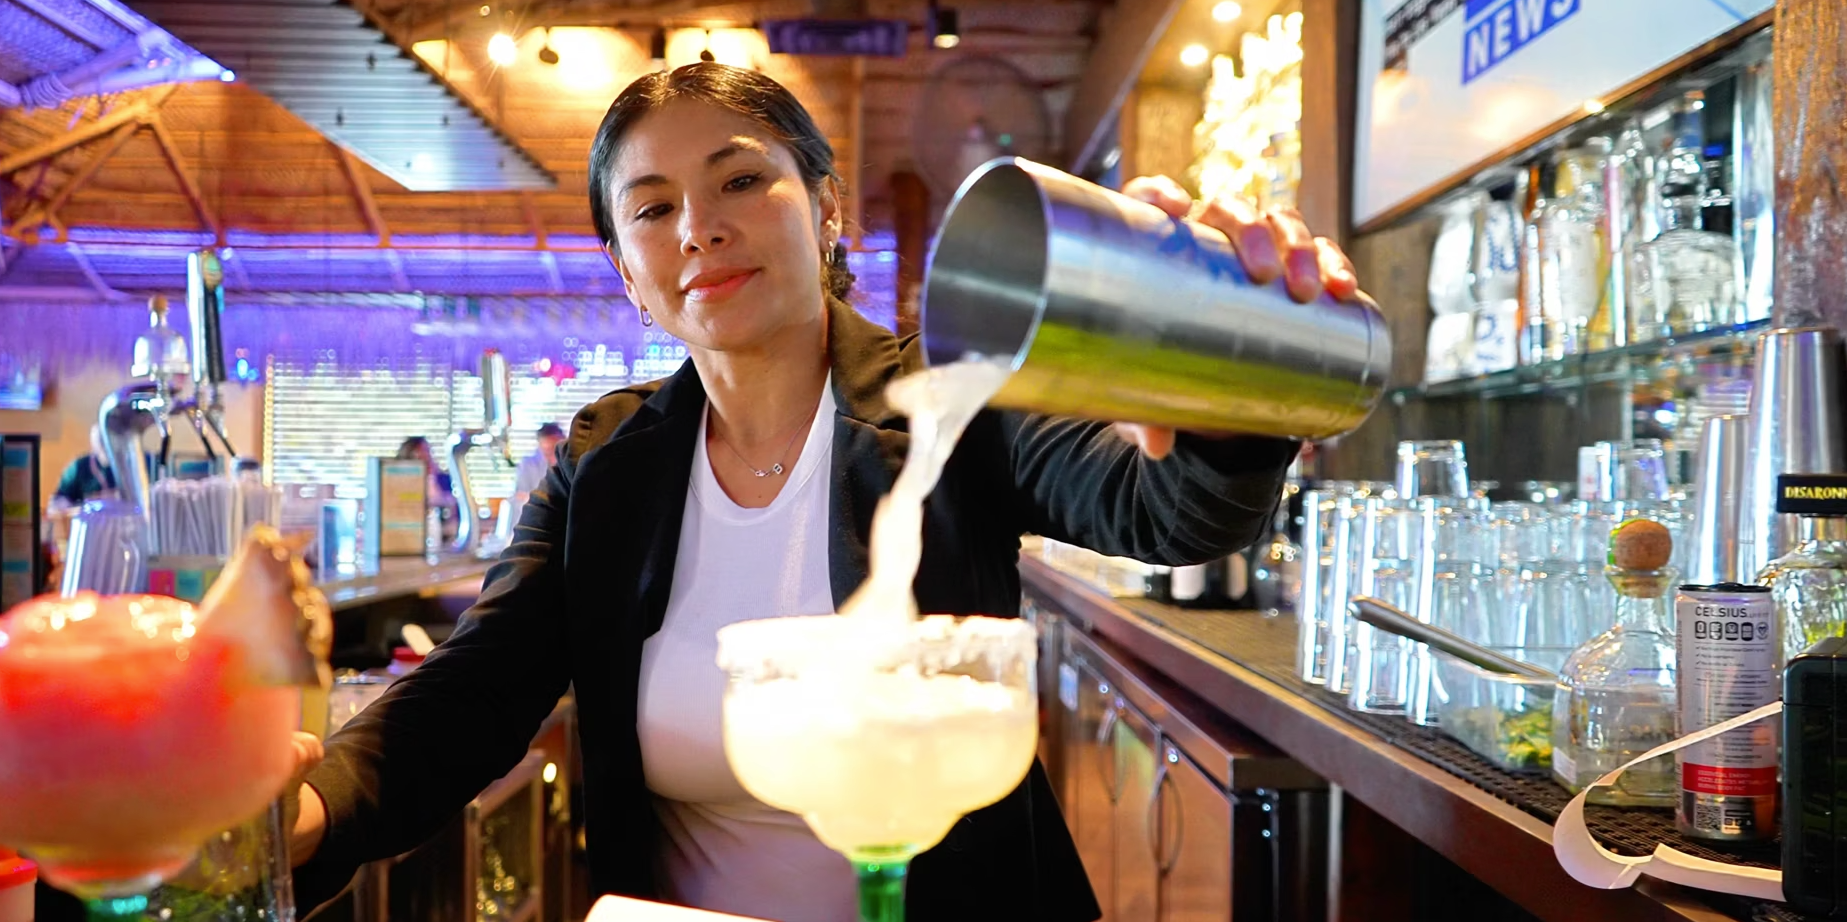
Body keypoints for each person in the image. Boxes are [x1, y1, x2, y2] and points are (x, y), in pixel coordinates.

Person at [288, 63, 1368, 922]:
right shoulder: (604, 462)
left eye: (739, 181)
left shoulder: (948, 401)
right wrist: (311, 807)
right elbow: (477, 689)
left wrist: (1225, 397)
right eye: (652, 208)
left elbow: (1166, 515)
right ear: (626, 269)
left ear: (825, 206)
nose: (698, 229)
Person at [50, 426, 118, 510]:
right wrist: (64, 505)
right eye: (101, 441)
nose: (105, 445)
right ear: (93, 443)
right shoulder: (79, 467)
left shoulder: (128, 465)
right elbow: (58, 501)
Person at [510, 423, 566, 515]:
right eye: (548, 451)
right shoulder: (528, 465)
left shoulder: (575, 464)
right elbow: (520, 495)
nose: (553, 456)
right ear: (540, 447)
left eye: (556, 450)